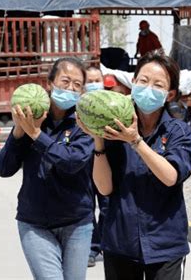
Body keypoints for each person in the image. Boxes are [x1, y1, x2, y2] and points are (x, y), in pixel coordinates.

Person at [77, 51, 191, 280]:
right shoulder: (112, 127)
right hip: (120, 243)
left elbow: (171, 176)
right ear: (133, 83)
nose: (148, 88)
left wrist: (135, 141)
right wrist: (99, 139)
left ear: (169, 94)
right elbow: (104, 188)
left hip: (165, 244)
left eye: (158, 85)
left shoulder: (179, 132)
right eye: (143, 81)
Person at [0, 57, 94, 279]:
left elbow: (71, 162)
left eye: (77, 85)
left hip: (76, 222)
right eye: (65, 81)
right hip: (35, 223)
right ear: (50, 83)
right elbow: (3, 168)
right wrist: (19, 131)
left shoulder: (84, 122)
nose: (71, 88)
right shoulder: (33, 116)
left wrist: (36, 135)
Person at [85, 66, 110, 267]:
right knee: (87, 207)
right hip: (84, 165)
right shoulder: (79, 107)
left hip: (107, 164)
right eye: (90, 80)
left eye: (97, 79)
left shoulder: (112, 104)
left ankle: (105, 243)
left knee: (107, 207)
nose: (94, 84)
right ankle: (92, 248)